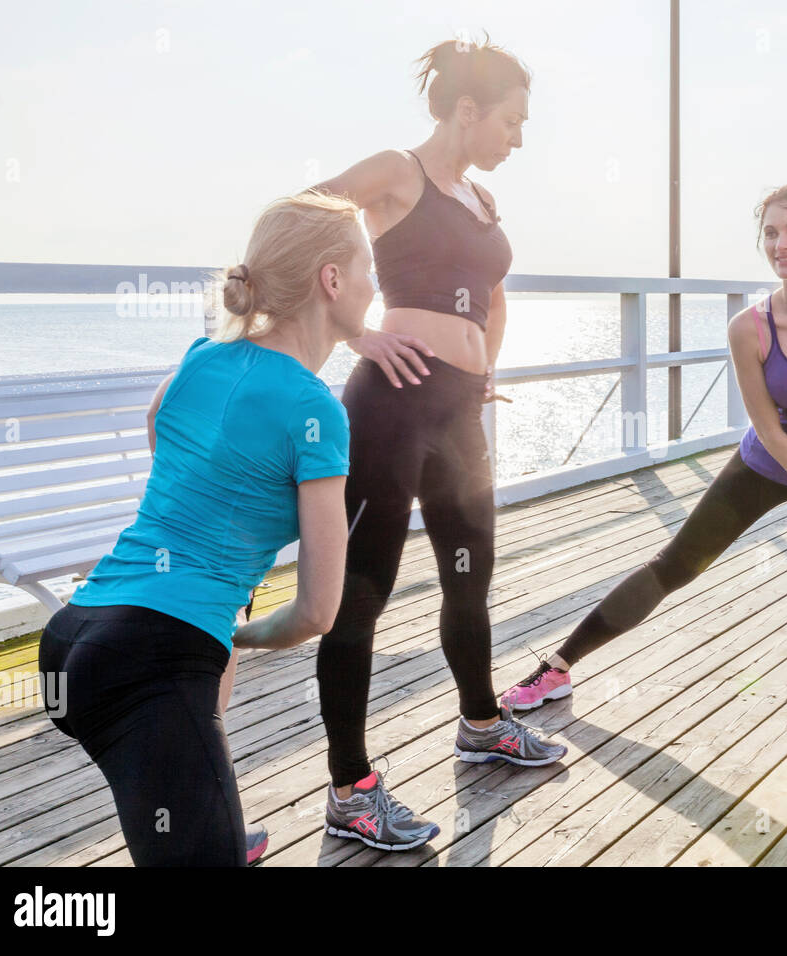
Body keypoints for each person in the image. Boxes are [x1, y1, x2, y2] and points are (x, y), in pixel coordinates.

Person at [37, 191, 442, 865]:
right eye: (367, 267)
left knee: (184, 823)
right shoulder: (316, 410)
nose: (376, 283)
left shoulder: (202, 354)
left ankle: (208, 828)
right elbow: (317, 610)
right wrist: (242, 632)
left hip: (78, 631)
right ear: (332, 280)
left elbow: (160, 430)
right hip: (149, 666)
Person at [499, 184, 787, 724]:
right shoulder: (748, 328)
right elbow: (771, 431)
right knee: (675, 566)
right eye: (771, 233)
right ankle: (557, 666)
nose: (782, 243)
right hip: (766, 465)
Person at [306, 35, 566, 853]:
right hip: (390, 405)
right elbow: (297, 223)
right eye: (513, 120)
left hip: (458, 412)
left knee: (470, 577)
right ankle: (350, 788)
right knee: (365, 592)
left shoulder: (482, 201)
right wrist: (356, 333)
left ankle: (482, 725)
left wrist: (485, 365)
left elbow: (491, 294)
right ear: (467, 109)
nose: (518, 138)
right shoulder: (397, 172)